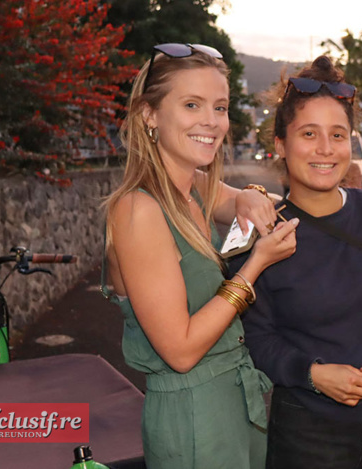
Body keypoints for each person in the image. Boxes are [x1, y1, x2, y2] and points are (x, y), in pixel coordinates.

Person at [234, 56, 362, 468]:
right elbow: (252, 336)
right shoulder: (259, 233)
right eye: (309, 133)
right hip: (306, 434)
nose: (326, 149)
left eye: (338, 134)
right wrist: (310, 374)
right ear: (280, 143)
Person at [102, 43, 298, 469]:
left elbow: (241, 199)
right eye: (192, 104)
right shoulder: (138, 211)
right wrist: (255, 265)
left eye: (220, 107)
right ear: (149, 114)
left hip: (237, 404)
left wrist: (251, 193)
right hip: (194, 420)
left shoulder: (192, 189)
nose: (212, 120)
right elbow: (181, 350)